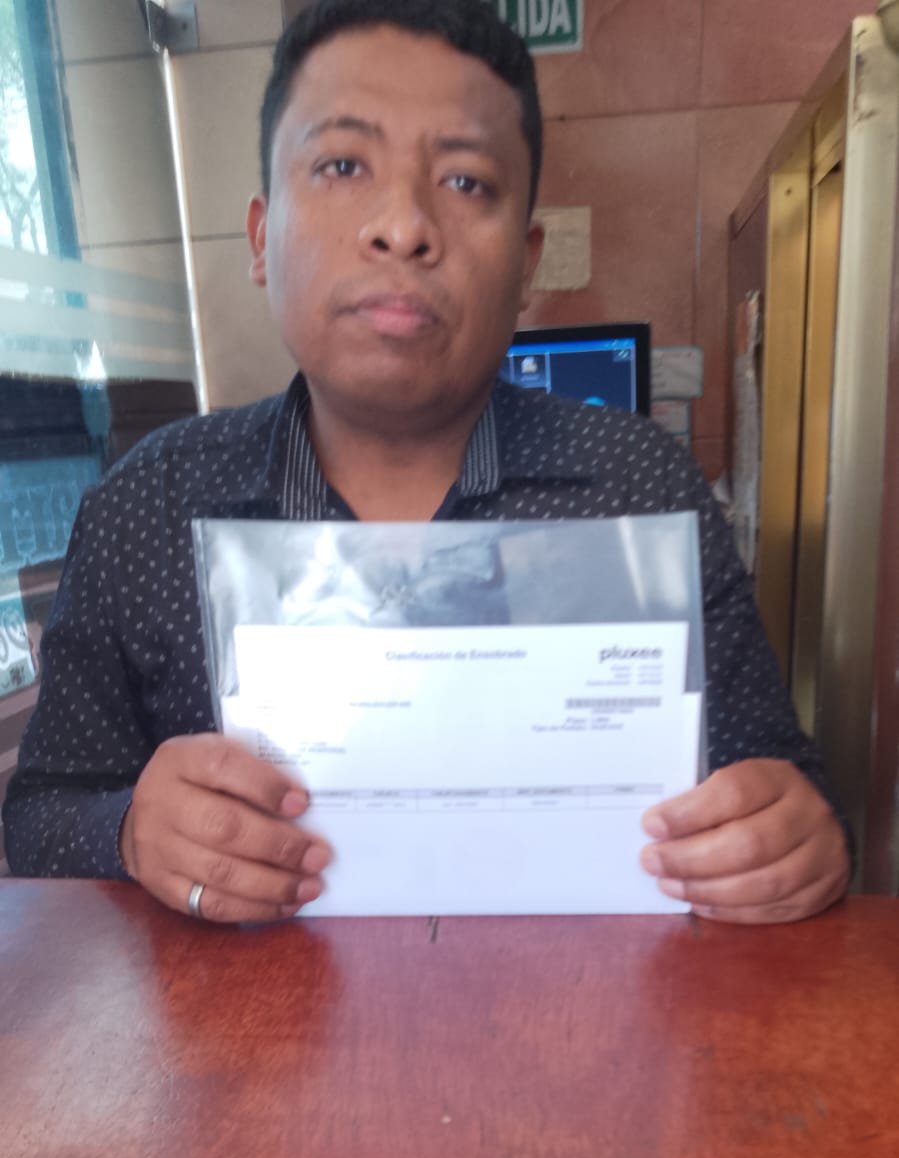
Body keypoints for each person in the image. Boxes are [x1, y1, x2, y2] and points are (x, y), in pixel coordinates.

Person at [2, 0, 850, 925]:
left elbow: (782, 788)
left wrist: (793, 839)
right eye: (341, 165)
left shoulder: (639, 489)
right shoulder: (147, 504)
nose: (402, 225)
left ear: (526, 264)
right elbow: (39, 816)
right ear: (259, 238)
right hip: (249, 1018)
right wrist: (130, 830)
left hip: (581, 1005)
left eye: (465, 181)